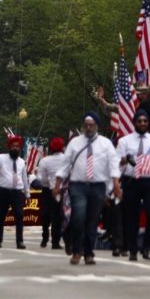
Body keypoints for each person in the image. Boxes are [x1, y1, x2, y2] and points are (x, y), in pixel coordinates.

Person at [55, 112, 121, 266]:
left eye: (91, 125)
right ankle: (77, 251)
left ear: (97, 126)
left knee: (92, 221)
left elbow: (113, 165)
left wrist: (116, 184)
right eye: (86, 125)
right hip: (78, 185)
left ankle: (89, 253)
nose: (89, 128)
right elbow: (65, 164)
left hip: (98, 186)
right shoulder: (75, 143)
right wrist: (57, 184)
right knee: (78, 217)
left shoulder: (106, 144)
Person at [117, 110, 150, 262]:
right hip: (131, 181)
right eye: (140, 121)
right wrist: (123, 161)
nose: (142, 123)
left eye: (145, 121)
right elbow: (116, 164)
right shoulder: (125, 141)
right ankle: (132, 249)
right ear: (135, 122)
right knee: (131, 216)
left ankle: (147, 247)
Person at [0, 135, 30, 249]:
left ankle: (20, 242)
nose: (15, 148)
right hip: (4, 191)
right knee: (1, 217)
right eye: (13, 146)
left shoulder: (22, 162)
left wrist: (27, 193)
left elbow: (24, 178)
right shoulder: (2, 158)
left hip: (17, 192)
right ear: (9, 147)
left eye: (17, 146)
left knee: (19, 216)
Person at [36, 137, 67, 250]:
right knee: (58, 217)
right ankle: (56, 241)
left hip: (48, 190)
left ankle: (45, 238)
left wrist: (48, 183)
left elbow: (41, 178)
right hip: (63, 190)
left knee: (46, 215)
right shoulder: (66, 159)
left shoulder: (45, 161)